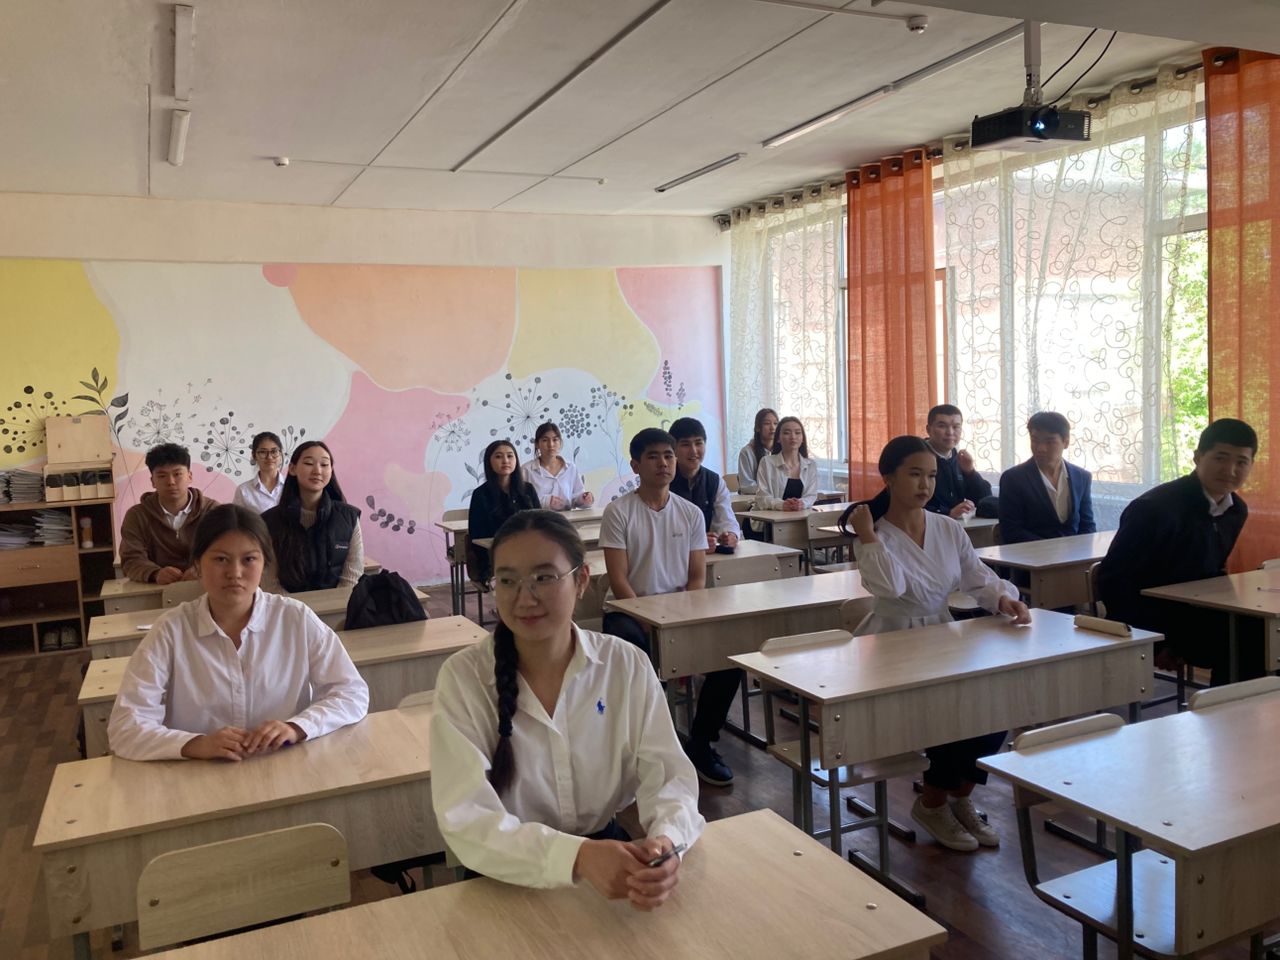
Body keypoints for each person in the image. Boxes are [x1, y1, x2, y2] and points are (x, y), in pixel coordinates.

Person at [431, 509, 702, 902]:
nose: (525, 598)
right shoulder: (464, 678)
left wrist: (667, 841)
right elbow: (466, 818)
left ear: (581, 580)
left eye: (544, 578)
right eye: (507, 580)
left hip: (608, 867)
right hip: (504, 877)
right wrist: (576, 857)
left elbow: (668, 775)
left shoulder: (625, 665)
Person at [845, 436, 1030, 853]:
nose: (925, 484)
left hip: (940, 635)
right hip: (892, 643)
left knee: (993, 709)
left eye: (931, 475)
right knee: (948, 714)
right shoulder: (874, 534)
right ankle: (931, 804)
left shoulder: (947, 527)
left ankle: (960, 798)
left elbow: (976, 575)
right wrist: (868, 536)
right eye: (914, 474)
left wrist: (1002, 599)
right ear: (889, 477)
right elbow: (891, 587)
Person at [107, 504, 369, 761]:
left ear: (265, 564)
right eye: (220, 559)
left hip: (283, 766)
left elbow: (351, 693)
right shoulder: (170, 631)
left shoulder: (295, 619)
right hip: (198, 775)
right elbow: (125, 727)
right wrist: (195, 744)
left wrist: (298, 727)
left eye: (249, 559)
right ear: (197, 565)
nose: (235, 573)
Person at [600, 429, 739, 787]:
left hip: (680, 610)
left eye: (668, 455)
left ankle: (701, 743)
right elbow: (619, 580)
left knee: (732, 657)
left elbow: (697, 577)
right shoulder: (618, 512)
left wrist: (680, 620)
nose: (663, 463)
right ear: (635, 465)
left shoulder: (690, 513)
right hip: (628, 611)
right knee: (634, 649)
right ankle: (648, 747)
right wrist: (650, 621)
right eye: (653, 456)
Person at [1097, 418, 1262, 685]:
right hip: (1153, 618)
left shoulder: (1236, 510)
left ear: (1251, 465)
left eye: (1241, 462)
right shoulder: (1154, 509)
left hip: (1198, 612)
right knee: (1248, 642)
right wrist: (1159, 642)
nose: (1230, 470)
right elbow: (1113, 580)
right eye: (1220, 458)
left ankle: (1240, 706)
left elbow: (1211, 572)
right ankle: (1225, 708)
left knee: (1264, 631)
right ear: (1198, 457)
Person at [261, 440, 365, 593]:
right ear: (292, 469)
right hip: (286, 605)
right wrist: (296, 607)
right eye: (309, 463)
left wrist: (334, 603)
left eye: (324, 464)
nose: (317, 470)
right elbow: (269, 582)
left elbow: (352, 576)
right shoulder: (269, 521)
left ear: (331, 470)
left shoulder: (349, 517)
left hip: (338, 605)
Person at [119, 443, 219, 584]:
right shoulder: (137, 516)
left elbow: (228, 552)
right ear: (153, 481)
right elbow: (131, 559)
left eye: (177, 474)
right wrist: (154, 573)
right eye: (162, 476)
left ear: (190, 476)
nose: (171, 482)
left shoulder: (213, 511)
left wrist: (203, 568)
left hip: (206, 586)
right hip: (157, 588)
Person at [997, 412, 1095, 543]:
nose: (1041, 448)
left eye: (1050, 442)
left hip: (1074, 553)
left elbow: (1087, 526)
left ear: (1066, 442)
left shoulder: (1082, 477)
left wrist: (1077, 550)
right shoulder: (1013, 479)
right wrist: (1052, 549)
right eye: (1035, 440)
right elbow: (1011, 531)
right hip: (1030, 553)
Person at [468, 439, 541, 583]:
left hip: (529, 556)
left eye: (510, 456)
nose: (505, 461)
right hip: (495, 560)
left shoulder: (528, 490)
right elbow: (477, 537)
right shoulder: (480, 495)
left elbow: (539, 525)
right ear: (489, 462)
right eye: (498, 456)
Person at [669, 417, 742, 552]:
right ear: (673, 449)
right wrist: (697, 541)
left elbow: (726, 517)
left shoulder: (714, 481)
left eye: (698, 443)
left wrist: (731, 535)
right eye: (685, 444)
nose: (693, 451)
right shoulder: (664, 481)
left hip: (708, 556)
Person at [922, 404, 994, 518]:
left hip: (958, 524)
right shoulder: (916, 457)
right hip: (925, 524)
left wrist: (970, 472)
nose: (950, 432)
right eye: (942, 426)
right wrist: (948, 513)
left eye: (956, 427)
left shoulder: (959, 458)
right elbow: (907, 502)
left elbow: (985, 499)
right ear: (928, 429)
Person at [520, 422, 593, 511]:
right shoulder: (526, 470)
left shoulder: (570, 467)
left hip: (568, 518)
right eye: (545, 440)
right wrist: (547, 502)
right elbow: (522, 502)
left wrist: (584, 499)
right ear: (537, 444)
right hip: (539, 518)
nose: (551, 445)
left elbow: (576, 497)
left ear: (560, 442)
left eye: (555, 440)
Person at [753, 416, 818, 511]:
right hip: (770, 516)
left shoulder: (811, 465)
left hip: (799, 515)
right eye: (787, 433)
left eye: (797, 433)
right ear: (778, 438)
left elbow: (811, 495)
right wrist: (782, 505)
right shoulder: (767, 462)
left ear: (803, 438)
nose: (793, 437)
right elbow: (762, 497)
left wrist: (802, 503)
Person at [232, 432, 287, 514]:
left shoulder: (293, 485)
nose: (269, 457)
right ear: (254, 456)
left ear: (281, 454)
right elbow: (237, 520)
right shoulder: (243, 490)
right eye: (263, 452)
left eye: (274, 451)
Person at [736, 408, 778, 495]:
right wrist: (772, 490)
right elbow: (747, 485)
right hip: (755, 499)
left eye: (775, 423)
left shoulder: (782, 450)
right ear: (758, 427)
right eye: (767, 423)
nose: (772, 427)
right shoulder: (747, 452)